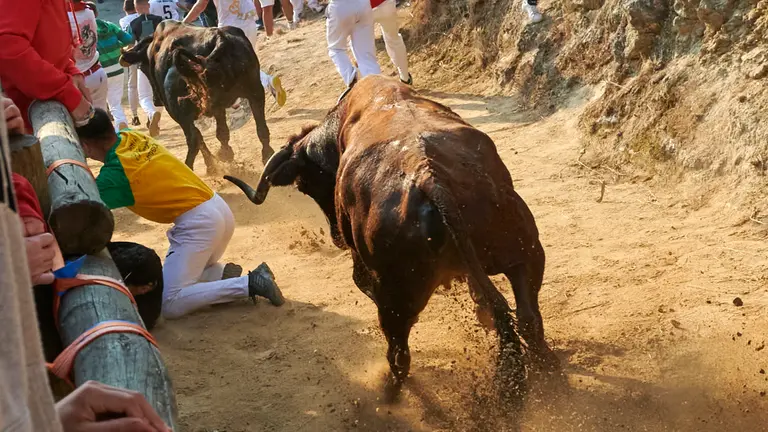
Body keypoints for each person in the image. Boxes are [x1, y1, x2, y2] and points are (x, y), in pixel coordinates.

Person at [2, 91, 171, 432]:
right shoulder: (131, 142)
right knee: (177, 296)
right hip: (201, 222)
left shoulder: (109, 175)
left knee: (176, 293)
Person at [75, 109, 285, 319]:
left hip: (199, 224)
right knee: (180, 277)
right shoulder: (130, 135)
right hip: (218, 208)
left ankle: (250, 283)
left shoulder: (114, 176)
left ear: (85, 146)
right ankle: (219, 275)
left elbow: (83, 204)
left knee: (170, 301)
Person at [0, 0, 93, 131]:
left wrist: (70, 70)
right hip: (24, 127)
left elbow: (46, 41)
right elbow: (8, 46)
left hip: (38, 119)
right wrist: (66, 92)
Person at [182, 0, 287, 106]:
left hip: (229, 29)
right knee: (247, 64)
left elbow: (201, 5)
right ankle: (241, 101)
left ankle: (264, 83)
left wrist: (183, 24)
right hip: (249, 24)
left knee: (228, 68)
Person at [95, 6, 135, 131]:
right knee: (115, 102)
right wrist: (117, 45)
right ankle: (121, 123)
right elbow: (128, 39)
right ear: (96, 13)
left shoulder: (85, 30)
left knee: (99, 103)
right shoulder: (110, 26)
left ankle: (110, 129)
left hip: (100, 70)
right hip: (117, 67)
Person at [129, 0, 165, 136]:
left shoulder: (133, 24)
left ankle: (151, 114)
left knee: (144, 95)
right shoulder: (160, 21)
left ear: (136, 8)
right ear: (148, 5)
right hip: (160, 60)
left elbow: (131, 44)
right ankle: (156, 116)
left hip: (143, 62)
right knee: (159, 93)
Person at [67, 1, 109, 116]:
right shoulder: (89, 11)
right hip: (97, 72)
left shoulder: (65, 18)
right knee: (102, 119)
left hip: (79, 80)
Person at [326, 0, 381, 86]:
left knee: (336, 49)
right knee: (366, 56)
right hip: (363, 4)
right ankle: (378, 87)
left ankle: (352, 81)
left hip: (340, 7)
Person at [370, 0, 411, 85]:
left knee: (363, 50)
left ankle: (372, 86)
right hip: (386, 4)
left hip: (364, 8)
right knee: (394, 40)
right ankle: (405, 78)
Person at [119, 0, 143, 126]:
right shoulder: (141, 16)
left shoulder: (123, 21)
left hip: (132, 52)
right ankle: (152, 112)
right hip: (146, 51)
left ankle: (135, 115)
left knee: (132, 85)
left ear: (125, 9)